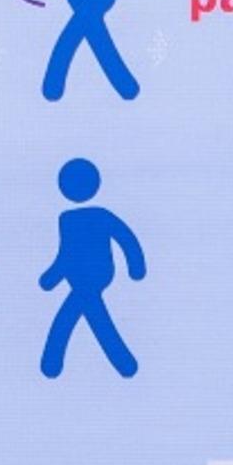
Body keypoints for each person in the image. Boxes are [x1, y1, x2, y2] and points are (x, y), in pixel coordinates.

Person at [38, 157, 144, 379]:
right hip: (82, 276)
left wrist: (136, 266)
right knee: (90, 317)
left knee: (69, 318)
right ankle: (125, 365)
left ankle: (52, 363)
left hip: (96, 275)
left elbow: (125, 238)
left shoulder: (98, 216)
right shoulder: (67, 219)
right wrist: (53, 276)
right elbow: (66, 252)